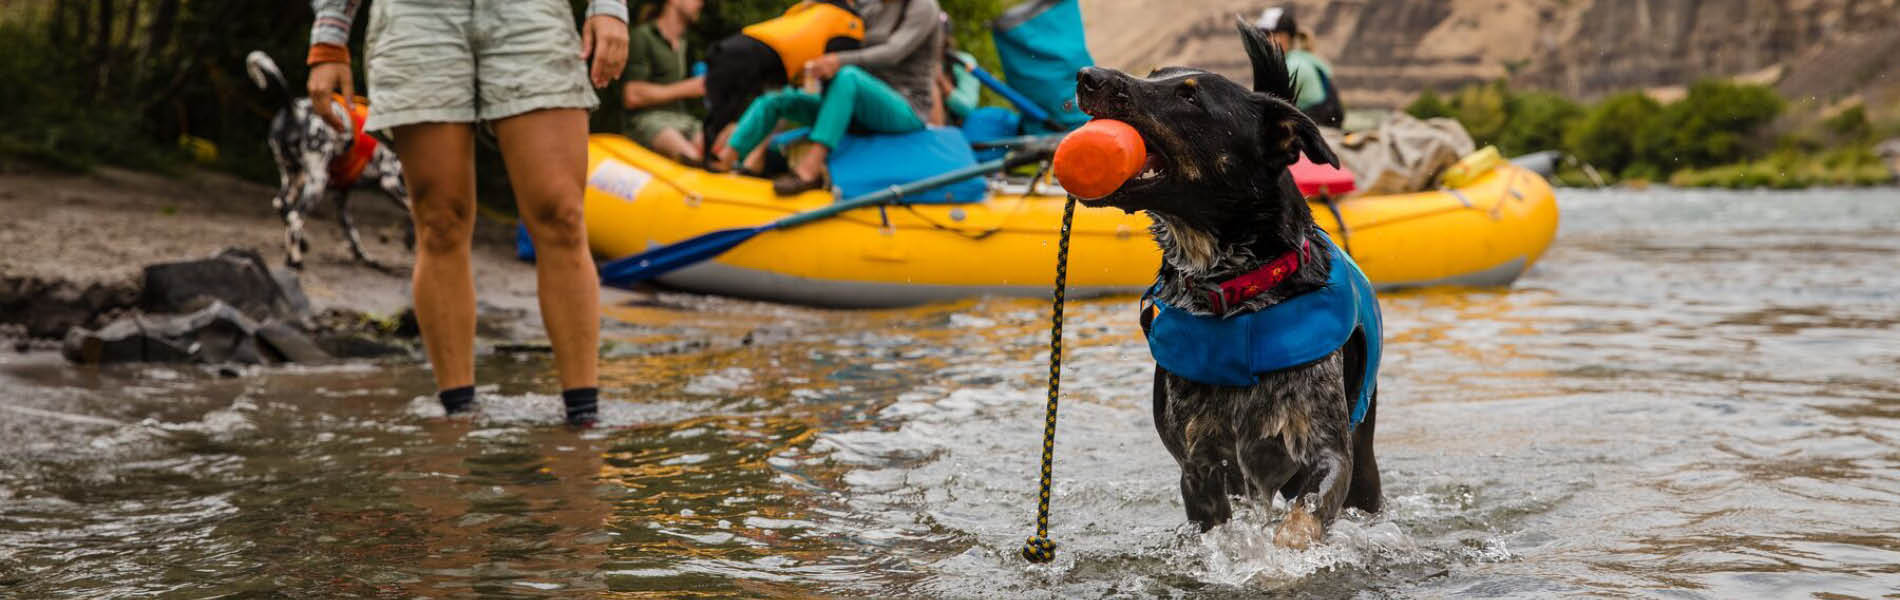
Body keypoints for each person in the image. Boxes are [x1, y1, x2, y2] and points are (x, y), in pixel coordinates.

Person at [305, 0, 627, 426]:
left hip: (529, 15)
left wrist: (609, 6)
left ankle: (584, 424)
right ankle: (457, 425)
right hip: (415, 19)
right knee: (440, 221)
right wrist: (329, 40)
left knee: (561, 214)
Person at [714, 0, 944, 196]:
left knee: (847, 76)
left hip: (906, 106)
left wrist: (837, 61)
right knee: (777, 99)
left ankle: (809, 171)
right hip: (858, 102)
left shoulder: (922, 6)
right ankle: (724, 161)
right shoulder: (872, 6)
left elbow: (894, 52)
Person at [619, 0, 708, 162]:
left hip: (683, 119)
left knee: (721, 154)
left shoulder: (685, 44)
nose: (701, 3)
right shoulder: (642, 36)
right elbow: (632, 96)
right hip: (646, 120)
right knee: (692, 158)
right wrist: (689, 88)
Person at [1256, 6, 1344, 128]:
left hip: (1321, 128)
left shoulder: (1292, 66)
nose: (1260, 39)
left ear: (1283, 37)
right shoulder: (1302, 57)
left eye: (1266, 34)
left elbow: (1267, 108)